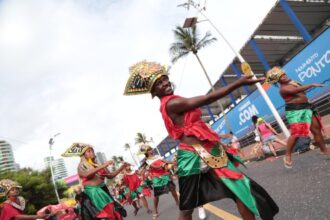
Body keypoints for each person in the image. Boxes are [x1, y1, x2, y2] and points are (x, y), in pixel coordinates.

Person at [124, 61, 279, 220]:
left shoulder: (173, 100)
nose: (165, 83)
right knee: (187, 209)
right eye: (159, 83)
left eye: (165, 79)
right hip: (192, 157)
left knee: (239, 190)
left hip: (209, 151)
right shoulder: (171, 103)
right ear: (154, 92)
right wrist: (239, 83)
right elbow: (208, 98)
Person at [267, 66, 330, 168]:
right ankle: (287, 155)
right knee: (296, 134)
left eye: (284, 74)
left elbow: (301, 92)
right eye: (281, 77)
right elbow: (297, 90)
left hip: (306, 107)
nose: (285, 76)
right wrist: (312, 84)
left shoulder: (292, 82)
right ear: (278, 81)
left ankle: (324, 149)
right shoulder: (283, 89)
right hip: (295, 111)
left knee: (316, 130)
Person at [62, 143, 129, 220]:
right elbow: (87, 174)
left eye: (92, 151)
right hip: (93, 192)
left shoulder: (98, 165)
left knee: (113, 213)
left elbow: (110, 175)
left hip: (103, 190)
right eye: (89, 151)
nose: (92, 153)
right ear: (83, 155)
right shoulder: (81, 166)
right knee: (106, 214)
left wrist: (121, 167)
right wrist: (103, 165)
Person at [144, 146, 179, 219]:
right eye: (149, 150)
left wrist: (173, 162)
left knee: (172, 188)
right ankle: (155, 211)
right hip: (156, 178)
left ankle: (177, 202)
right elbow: (154, 167)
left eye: (151, 149)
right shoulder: (147, 160)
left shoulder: (157, 156)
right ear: (146, 152)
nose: (151, 150)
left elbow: (165, 161)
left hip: (164, 175)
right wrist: (162, 165)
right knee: (156, 195)